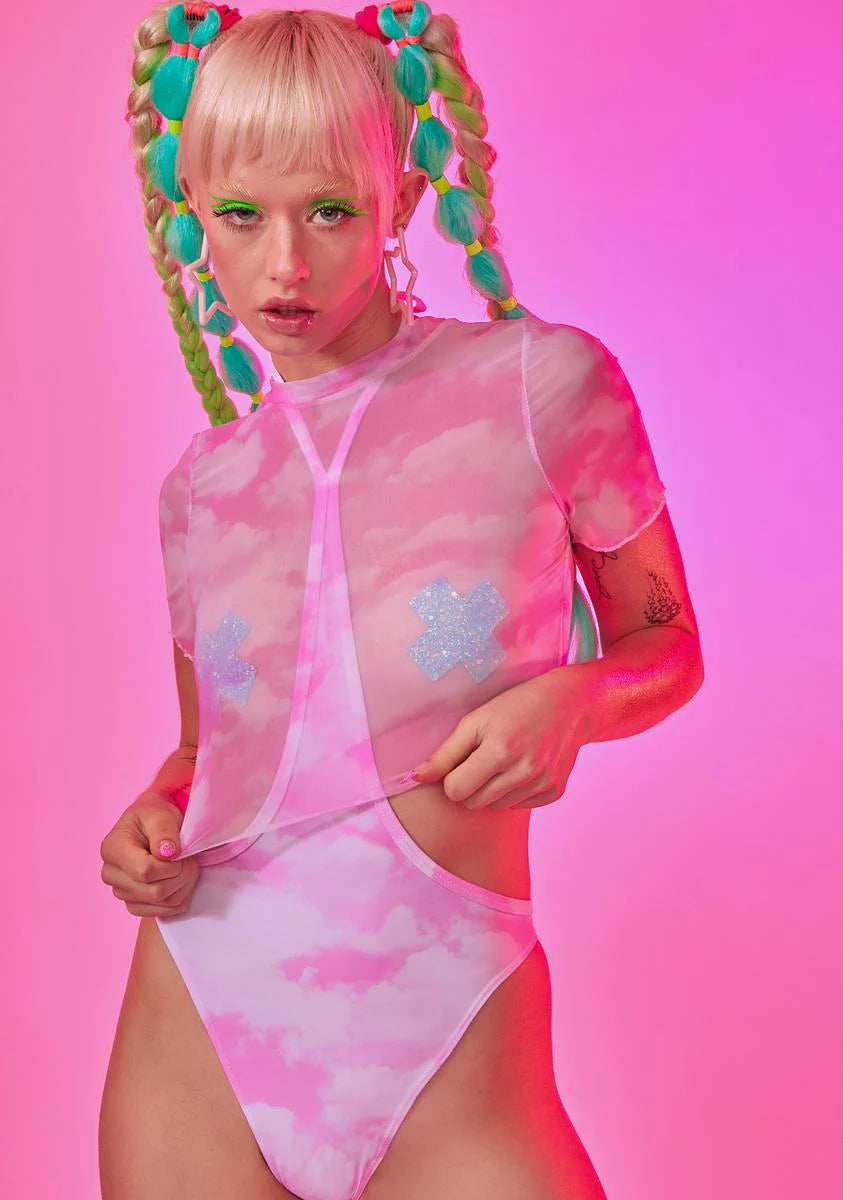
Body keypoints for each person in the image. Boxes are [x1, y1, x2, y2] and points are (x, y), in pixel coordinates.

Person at [98, 3, 704, 1198]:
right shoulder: (201, 490)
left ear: (401, 202)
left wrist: (572, 702)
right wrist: (149, 822)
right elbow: (204, 756)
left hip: (454, 1026)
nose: (286, 264)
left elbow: (670, 643)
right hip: (201, 1020)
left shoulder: (541, 385)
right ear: (193, 212)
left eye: (329, 210)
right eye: (242, 215)